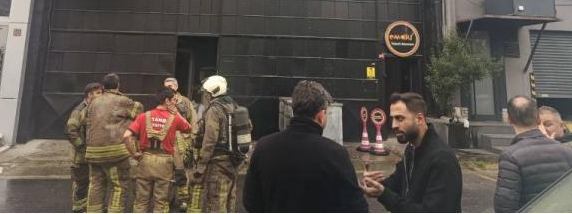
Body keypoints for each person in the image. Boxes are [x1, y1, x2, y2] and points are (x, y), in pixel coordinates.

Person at [243, 80, 368, 213]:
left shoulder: (264, 147)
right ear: (321, 115)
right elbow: (357, 209)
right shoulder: (336, 154)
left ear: (294, 109)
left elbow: (251, 203)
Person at [361, 92, 462, 212]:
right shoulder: (411, 149)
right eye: (392, 118)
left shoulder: (442, 159)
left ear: (419, 119)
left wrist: (384, 194)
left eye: (400, 118)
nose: (393, 125)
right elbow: (398, 182)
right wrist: (375, 184)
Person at [494, 96, 572, 213]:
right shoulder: (567, 151)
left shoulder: (511, 156)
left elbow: (505, 205)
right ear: (538, 119)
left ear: (509, 119)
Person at [123, 87, 192, 213]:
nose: (175, 103)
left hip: (145, 160)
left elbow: (126, 136)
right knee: (160, 203)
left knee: (141, 201)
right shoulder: (174, 118)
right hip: (164, 163)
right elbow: (188, 128)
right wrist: (176, 112)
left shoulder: (143, 116)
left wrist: (134, 154)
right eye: (173, 100)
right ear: (167, 101)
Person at [85, 73, 143, 213]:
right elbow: (139, 110)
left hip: (93, 152)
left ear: (103, 87)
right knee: (119, 185)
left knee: (96, 184)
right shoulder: (122, 101)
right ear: (118, 85)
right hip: (115, 152)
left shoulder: (93, 102)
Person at [189, 75, 241, 213]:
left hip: (218, 164)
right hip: (233, 161)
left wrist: (201, 165)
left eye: (207, 93)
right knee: (230, 200)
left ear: (213, 92)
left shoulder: (214, 109)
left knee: (216, 201)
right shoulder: (234, 106)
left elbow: (210, 140)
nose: (205, 96)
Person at [65, 82, 103, 213]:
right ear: (90, 95)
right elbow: (70, 131)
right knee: (81, 184)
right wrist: (82, 147)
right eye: (98, 93)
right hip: (80, 158)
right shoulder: (79, 111)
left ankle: (89, 208)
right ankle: (79, 208)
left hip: (92, 156)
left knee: (94, 184)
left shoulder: (96, 109)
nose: (101, 95)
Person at [163, 77, 198, 212]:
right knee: (167, 173)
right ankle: (168, 200)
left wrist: (193, 139)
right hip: (167, 142)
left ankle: (183, 201)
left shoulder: (185, 102)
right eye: (166, 86)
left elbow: (193, 120)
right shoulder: (162, 102)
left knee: (183, 173)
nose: (168, 88)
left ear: (176, 87)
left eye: (170, 86)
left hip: (183, 143)